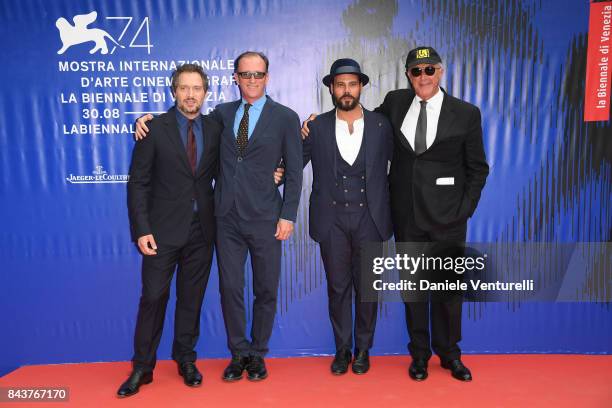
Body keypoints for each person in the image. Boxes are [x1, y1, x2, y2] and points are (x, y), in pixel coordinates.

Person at [302, 47, 489, 382]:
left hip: (448, 218)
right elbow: (359, 120)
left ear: (440, 72)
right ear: (408, 75)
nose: (423, 77)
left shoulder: (465, 113)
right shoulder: (395, 104)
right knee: (414, 290)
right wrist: (313, 124)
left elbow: (478, 168)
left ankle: (449, 354)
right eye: (416, 72)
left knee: (448, 291)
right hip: (407, 217)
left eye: (429, 70)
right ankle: (419, 355)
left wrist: (464, 209)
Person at [135, 52, 303, 382]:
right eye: (245, 74)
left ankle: (258, 354)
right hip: (225, 219)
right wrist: (146, 118)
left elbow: (295, 170)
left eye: (258, 74)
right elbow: (184, 122)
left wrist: (288, 215)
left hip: (268, 218)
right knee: (230, 289)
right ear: (235, 78)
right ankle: (238, 353)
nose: (252, 80)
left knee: (266, 289)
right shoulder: (221, 116)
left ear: (267, 77)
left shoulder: (285, 117)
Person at [118, 64, 222, 397]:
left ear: (206, 93)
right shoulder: (154, 129)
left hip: (202, 231)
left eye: (196, 88)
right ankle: (142, 367)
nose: (190, 94)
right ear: (173, 91)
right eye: (184, 88)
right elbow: (138, 183)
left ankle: (185, 359)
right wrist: (141, 229)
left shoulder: (215, 128)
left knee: (191, 300)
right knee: (153, 298)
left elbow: (237, 166)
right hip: (161, 232)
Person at [301, 59, 393, 375]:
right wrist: (273, 171)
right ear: (331, 88)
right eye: (340, 84)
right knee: (338, 288)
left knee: (368, 288)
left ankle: (363, 349)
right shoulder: (317, 126)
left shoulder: (382, 125)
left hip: (372, 218)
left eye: (352, 84)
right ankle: (342, 350)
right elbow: (292, 164)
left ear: (361, 87)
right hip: (332, 221)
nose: (346, 90)